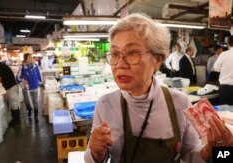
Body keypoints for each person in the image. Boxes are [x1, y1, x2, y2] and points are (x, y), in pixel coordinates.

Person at [84, 13, 233, 163]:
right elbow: (93, 159)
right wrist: (96, 152)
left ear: (157, 60)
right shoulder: (105, 105)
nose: (120, 64)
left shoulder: (180, 102)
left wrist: (211, 152)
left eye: (132, 53)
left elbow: (190, 155)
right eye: (115, 53)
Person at [16, 53, 42, 122]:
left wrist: (40, 81)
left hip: (35, 86)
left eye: (31, 57)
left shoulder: (35, 65)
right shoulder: (22, 67)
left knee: (35, 101)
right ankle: (29, 110)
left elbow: (38, 74)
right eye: (30, 57)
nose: (31, 59)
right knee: (27, 102)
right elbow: (18, 77)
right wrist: (22, 80)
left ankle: (36, 116)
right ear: (26, 59)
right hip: (26, 88)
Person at [214, 36, 233, 105]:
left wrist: (225, 69)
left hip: (226, 89)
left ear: (228, 44)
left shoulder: (223, 55)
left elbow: (216, 68)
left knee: (225, 112)